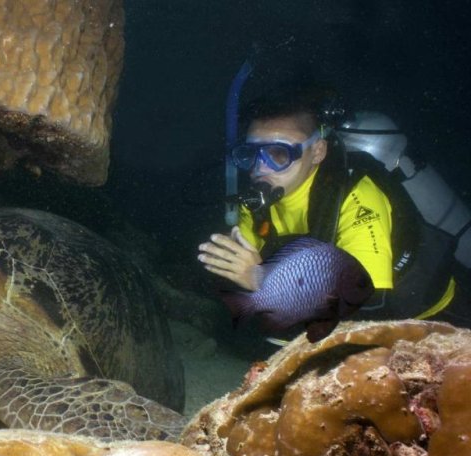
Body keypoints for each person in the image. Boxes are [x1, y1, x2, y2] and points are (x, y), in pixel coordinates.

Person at [197, 86, 470, 330]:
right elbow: (245, 265)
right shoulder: (256, 204)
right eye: (250, 154)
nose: (260, 168)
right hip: (349, 326)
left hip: (433, 314)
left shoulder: (356, 197)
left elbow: (369, 302)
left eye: (278, 154)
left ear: (317, 152)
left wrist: (261, 282)